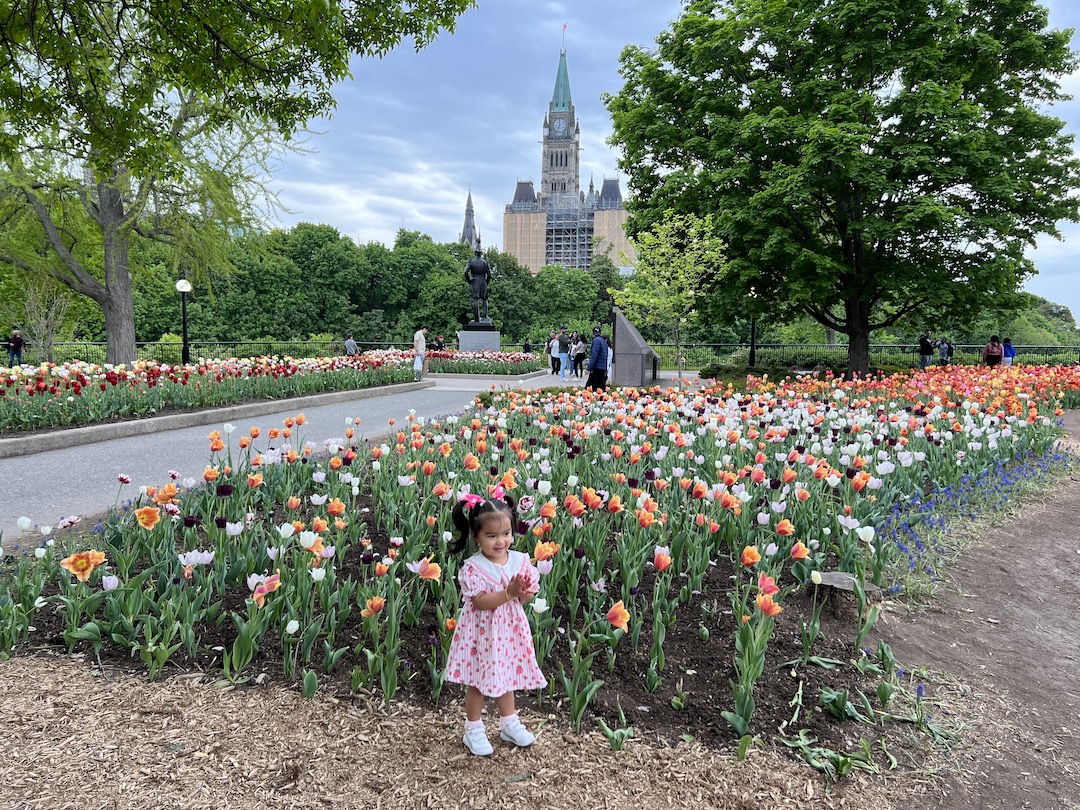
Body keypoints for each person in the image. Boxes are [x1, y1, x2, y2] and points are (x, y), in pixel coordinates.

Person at [444, 487, 545, 756]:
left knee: (506, 675)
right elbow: (479, 602)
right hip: (481, 633)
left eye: (506, 533)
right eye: (491, 536)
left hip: (508, 631)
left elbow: (525, 597)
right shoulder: (474, 567)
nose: (501, 541)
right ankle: (473, 729)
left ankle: (508, 722)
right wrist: (508, 593)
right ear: (476, 536)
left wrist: (523, 592)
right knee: (478, 681)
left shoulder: (520, 561)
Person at [464, 248, 492, 322]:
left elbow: (465, 272)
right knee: (485, 299)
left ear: (475, 253)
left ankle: (476, 319)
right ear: (481, 253)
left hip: (475, 281)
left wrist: (469, 281)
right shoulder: (485, 262)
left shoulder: (471, 261)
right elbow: (489, 275)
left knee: (475, 300)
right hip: (483, 281)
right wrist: (486, 282)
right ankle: (484, 317)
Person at [585, 326, 609, 391]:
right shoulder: (603, 342)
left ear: (593, 333)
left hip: (596, 368)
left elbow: (594, 356)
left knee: (588, 390)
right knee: (600, 390)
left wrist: (589, 368)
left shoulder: (596, 341)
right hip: (603, 368)